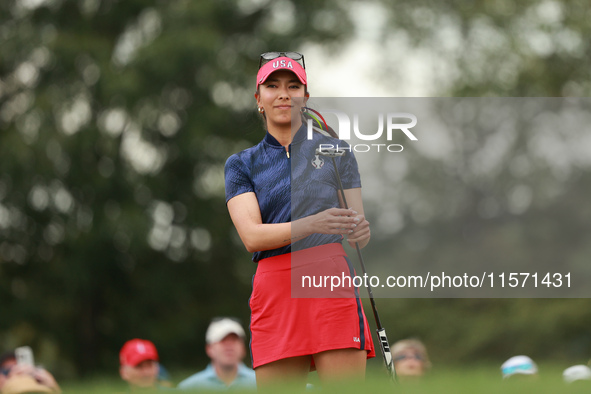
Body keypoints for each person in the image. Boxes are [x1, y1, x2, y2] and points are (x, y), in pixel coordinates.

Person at [224, 51, 375, 389]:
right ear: (258, 99)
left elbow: (357, 232)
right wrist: (314, 223)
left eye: (293, 86)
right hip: (275, 286)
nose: (283, 93)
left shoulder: (337, 151)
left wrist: (361, 230)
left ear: (305, 98)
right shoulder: (241, 164)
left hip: (329, 280)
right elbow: (252, 236)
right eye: (272, 86)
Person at [177, 318, 256, 390]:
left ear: (243, 348)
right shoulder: (188, 388)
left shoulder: (260, 383)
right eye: (222, 340)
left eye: (234, 340)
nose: (229, 345)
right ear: (209, 349)